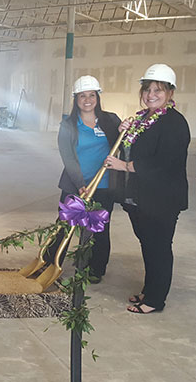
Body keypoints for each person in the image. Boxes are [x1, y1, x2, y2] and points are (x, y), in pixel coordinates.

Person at [104, 63, 190, 314]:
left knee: (159, 247)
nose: (151, 94)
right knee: (147, 244)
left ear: (170, 93)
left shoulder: (174, 123)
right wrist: (123, 134)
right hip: (140, 197)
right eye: (147, 89)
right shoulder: (143, 119)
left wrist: (124, 166)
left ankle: (155, 300)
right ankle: (149, 289)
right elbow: (132, 148)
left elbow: (163, 164)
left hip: (162, 198)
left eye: (158, 90)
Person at [49, 75, 122, 283]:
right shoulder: (69, 125)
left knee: (99, 230)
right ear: (76, 99)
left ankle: (95, 269)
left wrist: (126, 131)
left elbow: (123, 144)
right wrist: (81, 185)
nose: (87, 100)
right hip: (76, 186)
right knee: (64, 227)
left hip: (103, 186)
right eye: (82, 96)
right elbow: (68, 157)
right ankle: (51, 263)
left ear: (98, 97)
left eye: (92, 95)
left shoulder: (111, 120)